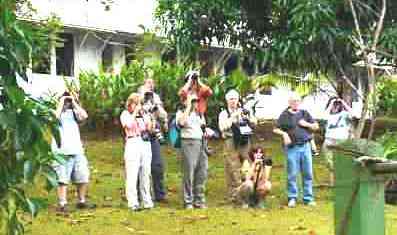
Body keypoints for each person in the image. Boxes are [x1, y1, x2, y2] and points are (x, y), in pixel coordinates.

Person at [273, 92, 319, 208]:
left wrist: (306, 124)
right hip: (292, 148)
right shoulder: (284, 115)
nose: (296, 103)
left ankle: (308, 198)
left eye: (298, 101)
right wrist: (284, 134)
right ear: (289, 103)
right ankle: (292, 197)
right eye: (293, 101)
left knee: (308, 173)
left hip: (305, 146)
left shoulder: (304, 113)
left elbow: (316, 126)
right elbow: (276, 129)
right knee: (292, 173)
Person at [52, 91, 94, 214]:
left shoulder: (74, 113)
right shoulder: (55, 111)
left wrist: (74, 103)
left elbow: (84, 116)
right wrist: (61, 103)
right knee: (62, 179)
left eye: (68, 101)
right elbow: (54, 118)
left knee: (82, 176)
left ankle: (81, 201)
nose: (67, 103)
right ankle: (62, 203)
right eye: (65, 100)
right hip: (61, 151)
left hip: (77, 150)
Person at [218, 89, 257, 204]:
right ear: (227, 101)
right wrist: (233, 117)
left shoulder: (244, 110)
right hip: (230, 141)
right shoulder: (224, 113)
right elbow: (222, 127)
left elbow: (255, 123)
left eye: (235, 98)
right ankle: (235, 195)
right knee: (232, 167)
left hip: (244, 141)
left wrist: (248, 117)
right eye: (231, 99)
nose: (233, 101)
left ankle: (248, 193)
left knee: (247, 166)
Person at [120, 93, 154, 211]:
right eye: (136, 103)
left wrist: (150, 116)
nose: (139, 106)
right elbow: (128, 125)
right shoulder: (125, 114)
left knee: (145, 172)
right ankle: (133, 202)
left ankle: (147, 201)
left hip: (145, 143)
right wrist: (135, 113)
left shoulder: (143, 114)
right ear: (131, 104)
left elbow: (149, 129)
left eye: (140, 103)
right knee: (132, 174)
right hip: (132, 142)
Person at [176, 94, 208, 209]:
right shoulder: (181, 113)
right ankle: (188, 200)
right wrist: (188, 106)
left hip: (201, 142)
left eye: (196, 101)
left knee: (202, 171)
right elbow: (181, 123)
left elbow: (202, 126)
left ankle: (199, 199)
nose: (195, 103)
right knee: (189, 171)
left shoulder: (199, 113)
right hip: (188, 142)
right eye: (192, 101)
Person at [139, 78, 168, 202]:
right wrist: (142, 98)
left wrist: (156, 106)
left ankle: (159, 194)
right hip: (140, 135)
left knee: (157, 165)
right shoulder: (138, 96)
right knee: (140, 166)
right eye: (148, 83)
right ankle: (139, 194)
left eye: (152, 83)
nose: (150, 85)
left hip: (154, 134)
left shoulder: (155, 98)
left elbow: (163, 116)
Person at [322, 97, 352, 186]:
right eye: (334, 105)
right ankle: (333, 183)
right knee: (329, 162)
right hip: (329, 140)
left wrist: (342, 102)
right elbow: (323, 116)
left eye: (337, 105)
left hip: (341, 140)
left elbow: (352, 113)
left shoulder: (344, 114)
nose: (335, 106)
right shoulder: (327, 115)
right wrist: (331, 102)